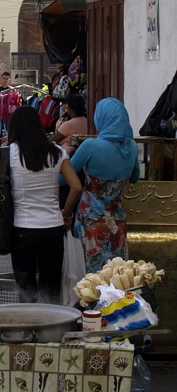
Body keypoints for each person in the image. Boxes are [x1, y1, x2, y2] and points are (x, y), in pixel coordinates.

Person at [0, 106, 82, 304]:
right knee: (51, 287)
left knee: (26, 288)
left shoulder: (8, 153)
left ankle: (30, 329)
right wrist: (65, 213)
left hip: (21, 229)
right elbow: (76, 187)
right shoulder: (57, 152)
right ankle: (52, 329)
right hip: (52, 228)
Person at [70, 97, 140, 273]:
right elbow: (135, 177)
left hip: (91, 222)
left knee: (91, 279)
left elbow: (64, 178)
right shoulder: (131, 146)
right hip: (117, 222)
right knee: (117, 275)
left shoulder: (90, 146)